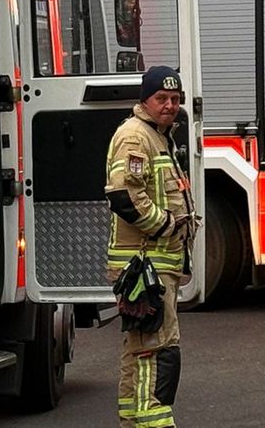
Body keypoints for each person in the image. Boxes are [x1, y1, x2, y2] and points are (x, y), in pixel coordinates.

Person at [105, 66, 199, 428]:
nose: (170, 105)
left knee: (140, 348)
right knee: (156, 350)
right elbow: (123, 195)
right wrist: (165, 225)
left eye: (175, 99)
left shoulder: (159, 136)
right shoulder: (135, 137)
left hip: (156, 265)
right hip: (145, 267)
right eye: (162, 98)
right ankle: (154, 424)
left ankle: (135, 421)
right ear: (145, 100)